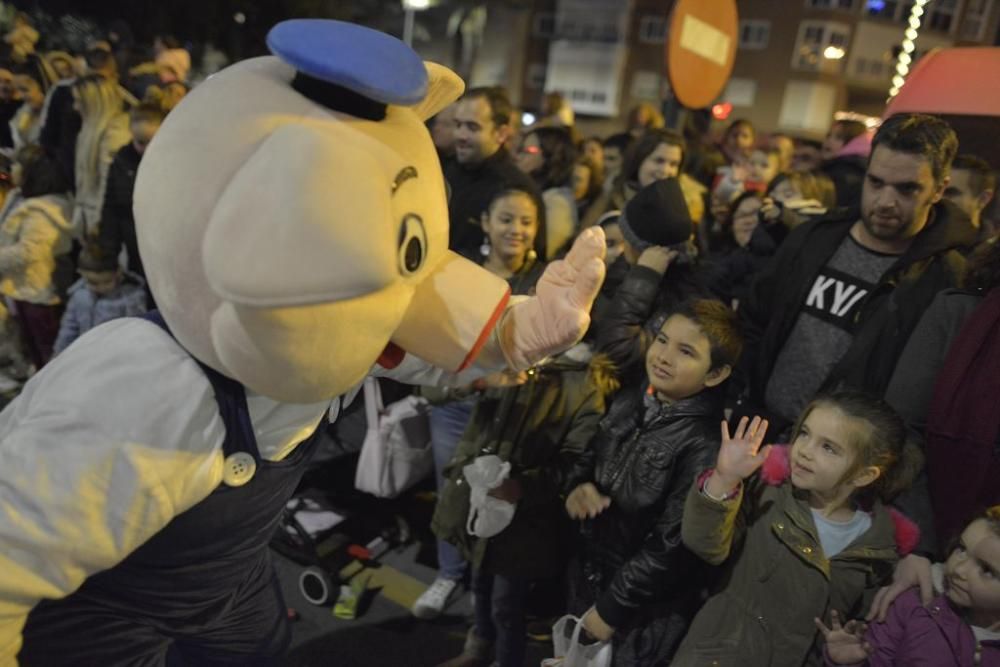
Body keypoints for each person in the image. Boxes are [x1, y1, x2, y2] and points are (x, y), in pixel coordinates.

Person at [738, 113, 975, 435]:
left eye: (907, 189)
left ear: (938, 189)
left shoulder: (945, 279)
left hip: (850, 465)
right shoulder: (814, 237)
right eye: (876, 182)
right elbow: (755, 318)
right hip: (760, 433)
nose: (886, 201)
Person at [673, 391, 921, 666]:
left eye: (828, 447)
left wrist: (837, 658)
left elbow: (857, 628)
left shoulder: (878, 546)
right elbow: (705, 545)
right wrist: (723, 480)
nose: (804, 450)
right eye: (804, 433)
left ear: (865, 474)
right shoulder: (769, 493)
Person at [564, 299, 741, 666]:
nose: (663, 356)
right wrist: (578, 486)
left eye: (686, 351)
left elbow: (672, 545)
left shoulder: (704, 444)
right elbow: (590, 454)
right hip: (588, 578)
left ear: (715, 374)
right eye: (661, 340)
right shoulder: (633, 399)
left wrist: (612, 608)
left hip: (642, 613)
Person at [411, 186, 548, 620]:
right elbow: (431, 344)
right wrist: (471, 385)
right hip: (456, 407)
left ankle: (481, 591)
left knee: (496, 502)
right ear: (486, 221)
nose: (517, 230)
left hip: (512, 416)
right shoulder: (460, 274)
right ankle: (449, 576)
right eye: (507, 218)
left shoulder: (543, 282)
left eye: (527, 221)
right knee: (452, 493)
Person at [432, 349, 611, 667]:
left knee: (507, 603)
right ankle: (479, 646)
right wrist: (476, 382)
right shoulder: (510, 351)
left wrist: (520, 486)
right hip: (479, 500)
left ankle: (505, 659)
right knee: (479, 581)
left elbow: (574, 461)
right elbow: (431, 390)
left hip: (525, 520)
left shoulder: (585, 386)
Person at [818, 507, 1000, 666]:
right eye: (961, 549)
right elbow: (876, 657)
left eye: (986, 569)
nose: (959, 569)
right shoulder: (914, 604)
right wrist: (849, 662)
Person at [0, 144, 74, 370]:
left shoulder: (42, 211)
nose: (12, 169)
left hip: (39, 292)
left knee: (47, 354)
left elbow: (31, 251)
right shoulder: (21, 197)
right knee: (35, 351)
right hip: (24, 288)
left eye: (16, 165)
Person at [443, 86, 538, 258]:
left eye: (472, 127)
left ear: (501, 133)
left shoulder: (517, 189)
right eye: (458, 125)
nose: (460, 135)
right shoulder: (446, 172)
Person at [96, 102, 164, 290]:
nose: (145, 148)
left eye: (152, 141)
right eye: (140, 142)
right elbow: (110, 208)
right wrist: (109, 253)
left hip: (166, 246)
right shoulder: (122, 162)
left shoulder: (171, 161)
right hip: (136, 246)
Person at [581, 128, 685, 230]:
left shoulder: (683, 210)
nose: (665, 170)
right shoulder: (610, 200)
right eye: (659, 161)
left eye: (673, 164)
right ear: (639, 160)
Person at [52, 245, 148, 355]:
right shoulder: (79, 295)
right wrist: (58, 355)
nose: (101, 287)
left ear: (118, 273)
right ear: (81, 274)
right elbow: (69, 328)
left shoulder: (132, 297)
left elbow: (137, 330)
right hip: (85, 353)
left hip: (117, 354)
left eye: (107, 281)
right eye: (93, 283)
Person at [71, 74, 132, 239]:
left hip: (101, 228)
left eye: (79, 101)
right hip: (89, 219)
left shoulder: (114, 135)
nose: (75, 107)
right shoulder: (89, 130)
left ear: (95, 102)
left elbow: (108, 186)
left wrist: (100, 226)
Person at [515, 126, 578, 258]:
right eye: (520, 150)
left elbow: (543, 251)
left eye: (528, 151)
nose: (518, 157)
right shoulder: (530, 193)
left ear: (551, 156)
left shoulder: (558, 203)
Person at [943, 154, 996, 242]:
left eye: (950, 193)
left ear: (983, 199)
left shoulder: (991, 253)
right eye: (937, 190)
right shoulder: (918, 244)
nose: (937, 199)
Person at [821, 119, 872, 208]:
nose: (829, 141)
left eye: (839, 137)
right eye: (828, 136)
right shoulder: (843, 167)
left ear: (854, 142)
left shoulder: (843, 173)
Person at [9, 55, 54, 150]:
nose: (20, 96)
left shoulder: (58, 116)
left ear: (42, 86)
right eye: (17, 90)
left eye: (24, 90)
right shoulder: (24, 112)